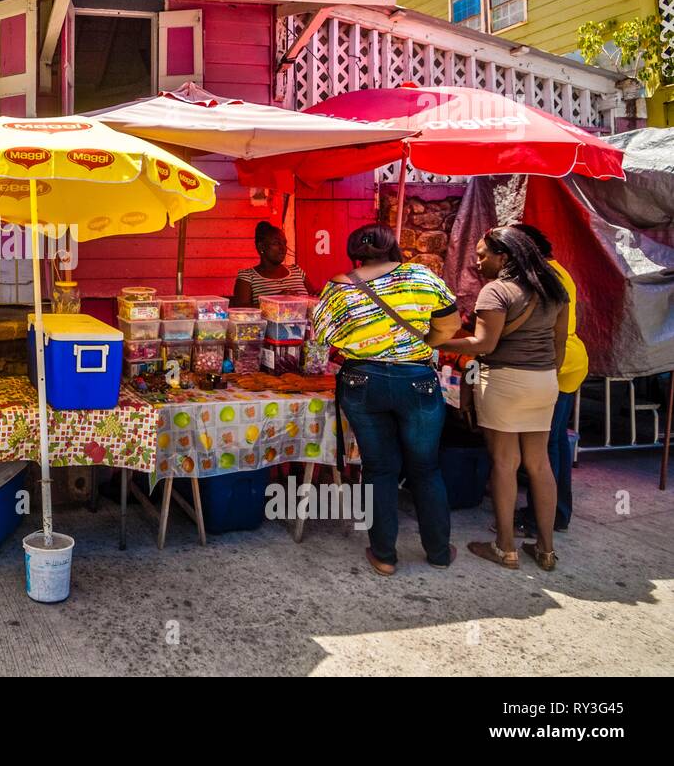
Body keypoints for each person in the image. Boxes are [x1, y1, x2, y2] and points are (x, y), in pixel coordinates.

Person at [312, 224, 461, 575]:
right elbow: (449, 325)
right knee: (425, 468)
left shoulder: (338, 286)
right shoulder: (422, 277)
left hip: (363, 381)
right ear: (393, 247)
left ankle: (384, 556)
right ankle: (438, 552)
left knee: (378, 469)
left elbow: (322, 336)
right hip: (417, 380)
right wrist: (423, 340)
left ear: (355, 253)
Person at [440, 227, 570, 572]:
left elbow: (483, 344)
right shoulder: (553, 287)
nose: (477, 261)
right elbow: (559, 344)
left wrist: (438, 342)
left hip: (504, 382)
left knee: (504, 463)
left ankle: (506, 548)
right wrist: (544, 375)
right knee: (540, 465)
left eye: (483, 255)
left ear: (505, 257)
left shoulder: (496, 291)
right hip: (544, 382)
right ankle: (546, 550)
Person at [510, 223, 586, 535]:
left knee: (546, 446)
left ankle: (547, 515)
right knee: (554, 441)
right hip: (564, 363)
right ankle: (556, 512)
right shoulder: (555, 271)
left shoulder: (543, 276)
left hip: (554, 364)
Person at [231, 221, 309, 307]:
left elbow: (313, 298)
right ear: (261, 247)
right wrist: (276, 300)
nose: (283, 248)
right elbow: (240, 310)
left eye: (284, 243)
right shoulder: (248, 276)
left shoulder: (297, 271)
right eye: (276, 243)